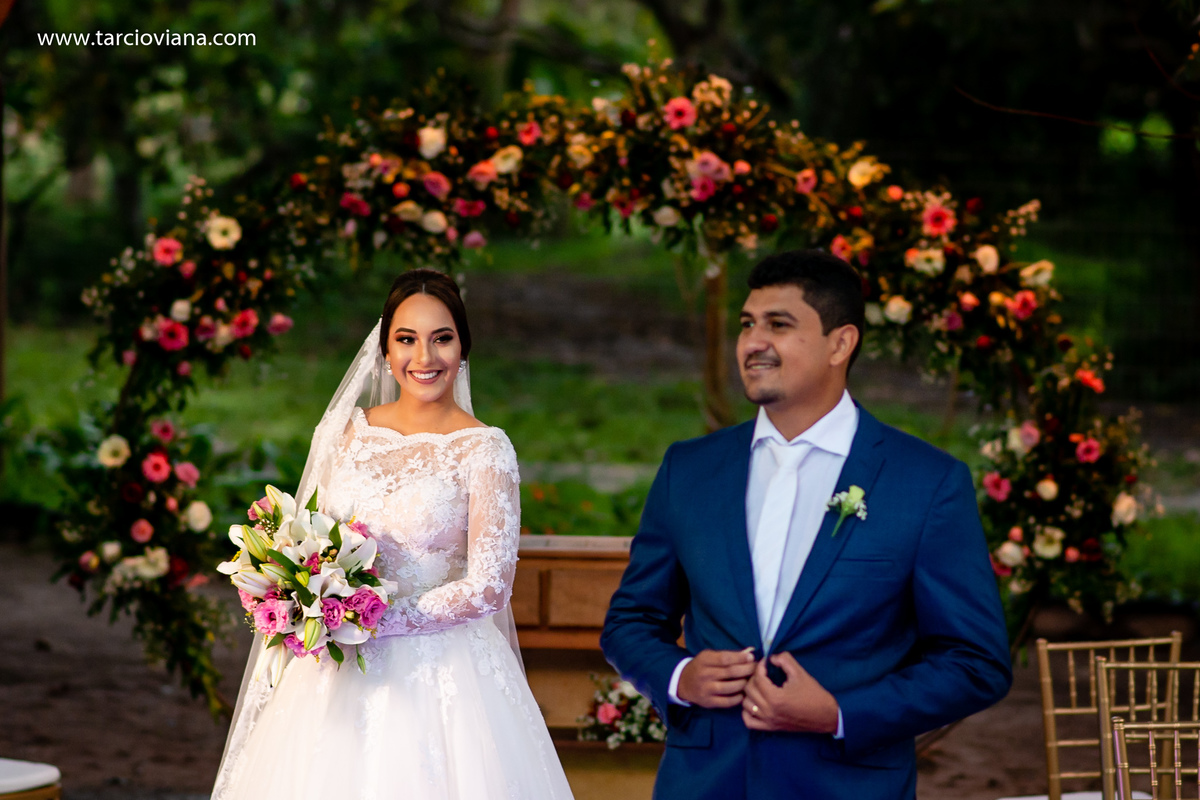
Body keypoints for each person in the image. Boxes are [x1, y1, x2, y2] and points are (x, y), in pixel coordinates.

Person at [600, 249, 1012, 799]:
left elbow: (975, 662)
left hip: (845, 784)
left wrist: (839, 712)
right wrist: (681, 677)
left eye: (779, 324)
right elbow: (630, 620)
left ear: (840, 343)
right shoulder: (689, 470)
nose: (753, 342)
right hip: (705, 782)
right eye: (747, 324)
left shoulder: (926, 483)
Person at [211, 269, 574, 799]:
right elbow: (312, 534)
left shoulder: (485, 449)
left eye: (441, 338)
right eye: (406, 339)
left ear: (463, 348)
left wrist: (372, 617)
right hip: (334, 670)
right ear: (384, 351)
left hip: (443, 674)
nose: (423, 358)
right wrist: (303, 589)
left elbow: (490, 587)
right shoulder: (347, 432)